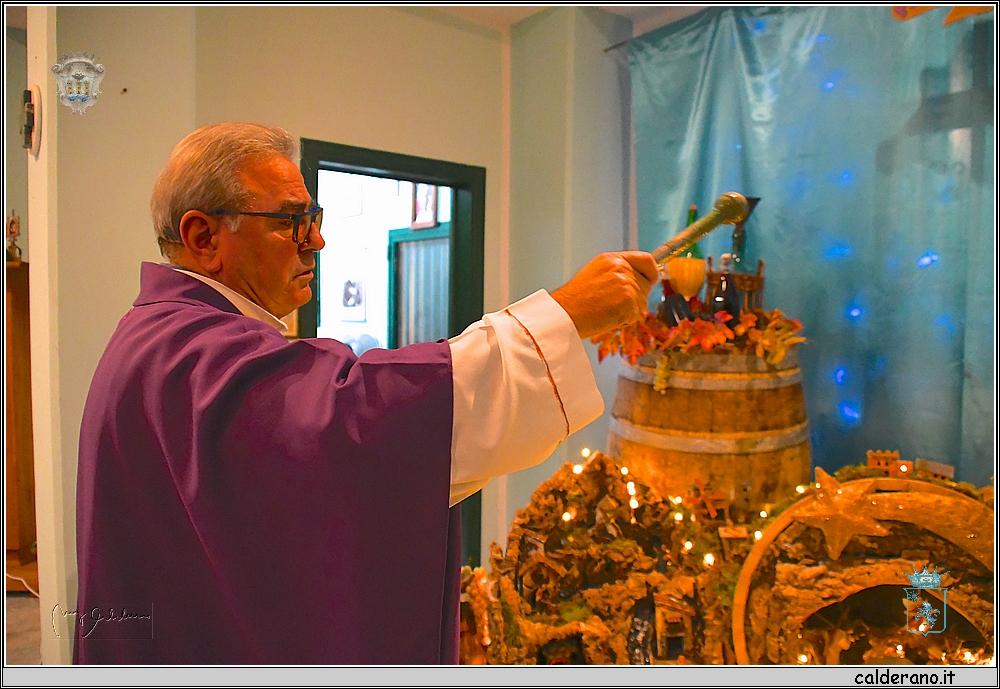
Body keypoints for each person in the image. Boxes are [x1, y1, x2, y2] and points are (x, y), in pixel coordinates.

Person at [74, 123, 658, 664]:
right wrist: (566, 315)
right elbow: (356, 419)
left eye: (313, 217)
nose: (316, 240)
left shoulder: (160, 334)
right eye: (289, 221)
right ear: (204, 236)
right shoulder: (190, 352)